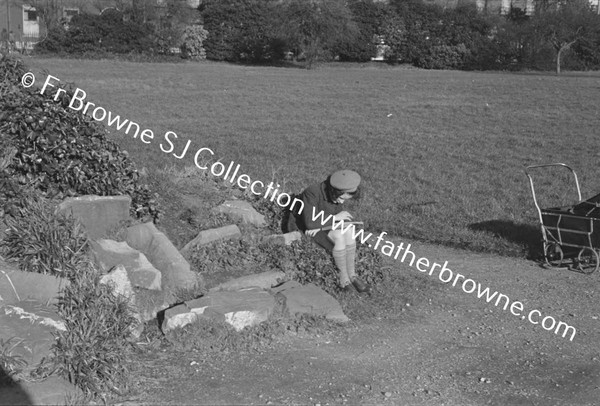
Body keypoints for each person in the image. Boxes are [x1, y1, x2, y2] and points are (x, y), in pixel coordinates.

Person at [290, 169, 370, 293]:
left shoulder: (335, 194)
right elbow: (309, 223)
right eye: (341, 198)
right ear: (335, 191)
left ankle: (352, 275)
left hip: (321, 225)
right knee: (338, 235)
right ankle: (343, 279)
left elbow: (332, 218)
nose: (342, 202)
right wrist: (335, 218)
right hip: (305, 228)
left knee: (348, 231)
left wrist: (341, 222)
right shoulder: (312, 192)